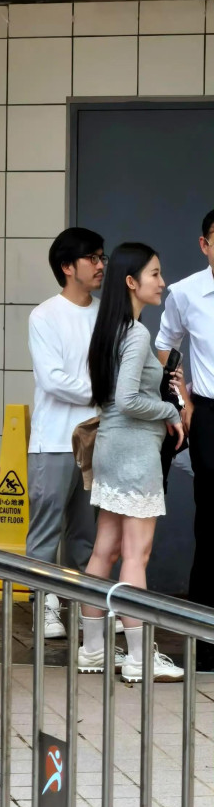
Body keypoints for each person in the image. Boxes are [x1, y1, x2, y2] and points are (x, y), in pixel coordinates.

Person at [80, 243, 184, 683]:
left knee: (105, 549)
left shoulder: (112, 329)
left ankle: (92, 649)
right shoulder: (138, 334)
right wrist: (169, 410)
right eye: (154, 274)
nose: (162, 282)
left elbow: (113, 398)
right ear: (131, 281)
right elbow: (127, 399)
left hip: (110, 448)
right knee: (136, 554)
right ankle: (140, 657)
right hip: (135, 451)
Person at [26, 229, 106, 639]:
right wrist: (105, 392)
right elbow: (53, 379)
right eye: (92, 257)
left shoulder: (107, 314)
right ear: (67, 267)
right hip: (54, 440)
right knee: (46, 530)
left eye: (102, 257)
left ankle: (86, 611)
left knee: (86, 535)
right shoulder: (44, 315)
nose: (100, 265)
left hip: (97, 441)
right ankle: (44, 606)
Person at [155, 210, 214, 673]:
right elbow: (165, 346)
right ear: (204, 244)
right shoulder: (186, 292)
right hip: (210, 414)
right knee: (210, 524)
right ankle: (206, 641)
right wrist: (182, 398)